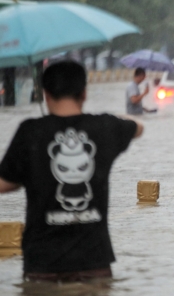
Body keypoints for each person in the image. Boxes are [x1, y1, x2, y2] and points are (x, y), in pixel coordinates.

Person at [0, 60, 143, 282]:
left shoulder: (30, 131)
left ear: (45, 94)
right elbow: (138, 128)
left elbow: (4, 184)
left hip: (42, 265)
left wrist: (29, 173)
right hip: (94, 264)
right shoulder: (105, 127)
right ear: (84, 93)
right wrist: (118, 117)